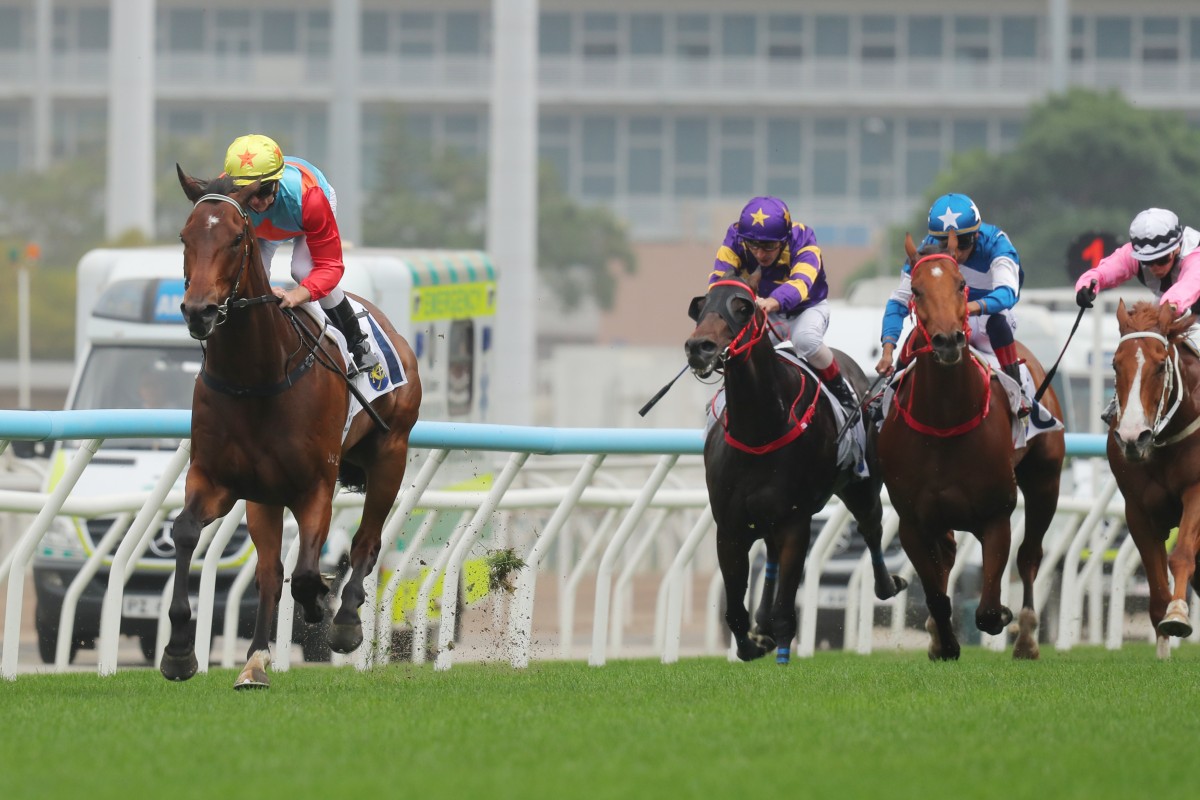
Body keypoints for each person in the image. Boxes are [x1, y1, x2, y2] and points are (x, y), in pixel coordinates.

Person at [222, 133, 378, 376]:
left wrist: (296, 296)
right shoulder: (224, 198)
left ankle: (358, 343)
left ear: (276, 182)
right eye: (246, 192)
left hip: (303, 217)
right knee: (250, 281)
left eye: (263, 190)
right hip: (261, 232)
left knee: (302, 270)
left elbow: (331, 267)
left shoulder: (311, 198)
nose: (257, 202)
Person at [875, 192, 1027, 414]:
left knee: (997, 324)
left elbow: (1007, 294)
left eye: (962, 242)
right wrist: (888, 348)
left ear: (976, 234)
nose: (956, 251)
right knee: (915, 336)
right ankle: (887, 392)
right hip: (948, 318)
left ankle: (1019, 393)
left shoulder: (996, 243)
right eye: (944, 243)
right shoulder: (926, 250)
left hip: (987, 317)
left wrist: (967, 308)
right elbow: (898, 301)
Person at [707, 195, 859, 414]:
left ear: (784, 239)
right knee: (735, 345)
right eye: (753, 245)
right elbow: (720, 280)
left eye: (768, 246)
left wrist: (773, 301)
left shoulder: (804, 239)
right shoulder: (736, 237)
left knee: (805, 340)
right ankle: (726, 396)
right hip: (764, 311)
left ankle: (843, 392)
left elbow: (801, 283)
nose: (759, 254)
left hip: (806, 309)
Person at [1074, 207, 1200, 424]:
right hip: (1169, 307)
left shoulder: (1195, 253)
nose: (1154, 267)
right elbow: (1106, 270)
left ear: (1177, 248)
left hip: (1180, 304)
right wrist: (1087, 285)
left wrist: (1165, 309)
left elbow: (1188, 287)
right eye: (1148, 261)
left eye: (1161, 259)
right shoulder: (1133, 252)